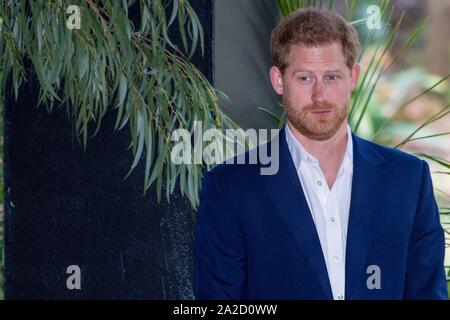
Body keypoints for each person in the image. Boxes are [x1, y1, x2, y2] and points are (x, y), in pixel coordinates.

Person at [194, 8, 448, 300]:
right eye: (304, 78)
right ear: (279, 80)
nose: (320, 96)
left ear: (353, 77)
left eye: (332, 77)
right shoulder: (231, 187)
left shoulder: (408, 179)